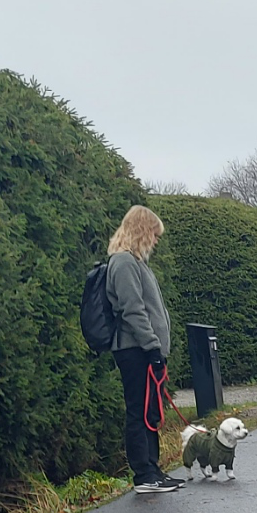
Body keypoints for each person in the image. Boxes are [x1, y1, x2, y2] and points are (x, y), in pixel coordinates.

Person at [102, 204, 183, 493]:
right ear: (142, 231)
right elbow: (133, 310)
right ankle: (143, 474)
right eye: (154, 234)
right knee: (139, 410)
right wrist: (151, 347)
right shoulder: (123, 263)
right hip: (134, 349)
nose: (157, 240)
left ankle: (153, 468)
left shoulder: (135, 262)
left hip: (143, 349)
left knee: (150, 411)